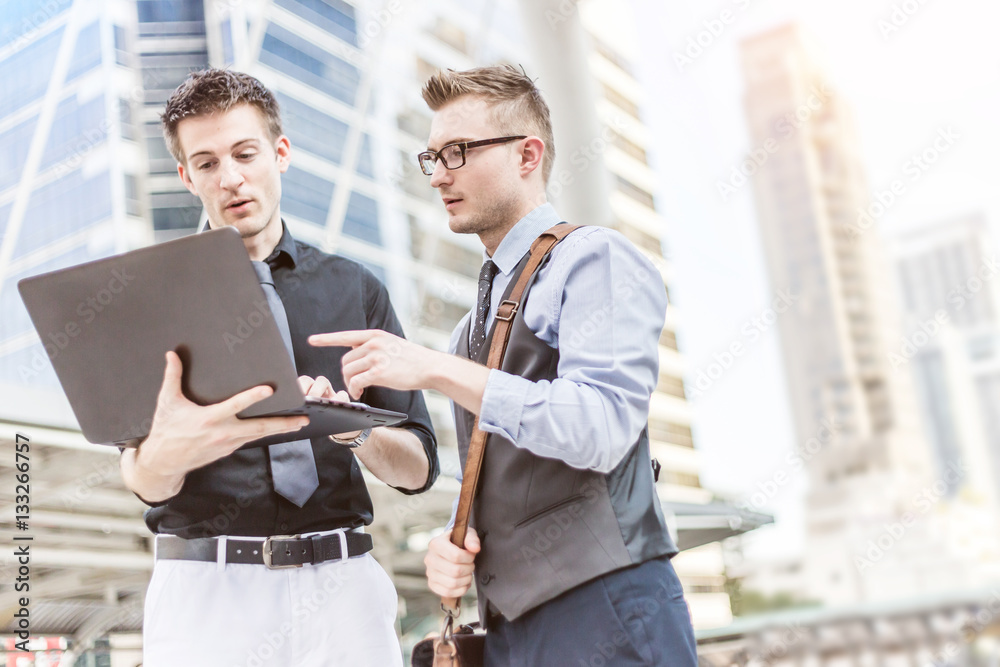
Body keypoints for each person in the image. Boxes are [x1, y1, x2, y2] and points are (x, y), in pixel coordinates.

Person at [310, 65, 698, 664]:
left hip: (607, 611)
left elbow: (601, 428)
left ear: (527, 155)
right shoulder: (475, 323)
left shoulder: (594, 259)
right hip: (513, 632)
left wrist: (435, 369)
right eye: (432, 157)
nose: (439, 175)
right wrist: (458, 541)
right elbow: (512, 477)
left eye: (459, 152)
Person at [118, 69, 438, 667]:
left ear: (280, 153)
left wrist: (352, 426)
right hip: (207, 600)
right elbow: (143, 479)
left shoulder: (355, 288)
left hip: (345, 594)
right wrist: (178, 446)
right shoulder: (149, 297)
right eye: (207, 163)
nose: (231, 178)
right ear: (186, 176)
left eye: (245, 153)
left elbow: (419, 468)